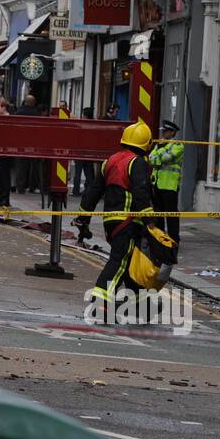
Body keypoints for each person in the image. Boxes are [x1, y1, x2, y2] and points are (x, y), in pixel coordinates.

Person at [73, 120, 157, 314]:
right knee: (119, 261)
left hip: (111, 222)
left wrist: (83, 217)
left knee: (130, 261)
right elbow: (141, 192)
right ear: (146, 144)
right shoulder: (138, 163)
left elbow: (92, 191)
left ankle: (140, 303)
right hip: (128, 222)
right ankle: (100, 301)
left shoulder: (109, 161)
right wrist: (151, 222)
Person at [148, 119, 183, 243]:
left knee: (171, 215)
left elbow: (167, 158)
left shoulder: (178, 145)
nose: (163, 134)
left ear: (172, 133)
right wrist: (160, 153)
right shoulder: (160, 144)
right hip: (157, 184)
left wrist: (160, 152)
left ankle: (174, 239)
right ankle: (161, 237)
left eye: (166, 131)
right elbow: (151, 159)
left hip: (170, 185)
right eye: (163, 131)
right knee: (158, 214)